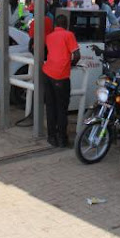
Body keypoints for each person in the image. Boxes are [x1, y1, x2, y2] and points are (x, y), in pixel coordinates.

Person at [43, 15, 81, 147]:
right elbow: (77, 55)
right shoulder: (69, 35)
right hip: (61, 76)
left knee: (50, 106)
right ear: (67, 24)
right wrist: (69, 65)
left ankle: (51, 136)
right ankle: (62, 139)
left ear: (55, 25)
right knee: (62, 108)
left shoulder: (49, 36)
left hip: (47, 73)